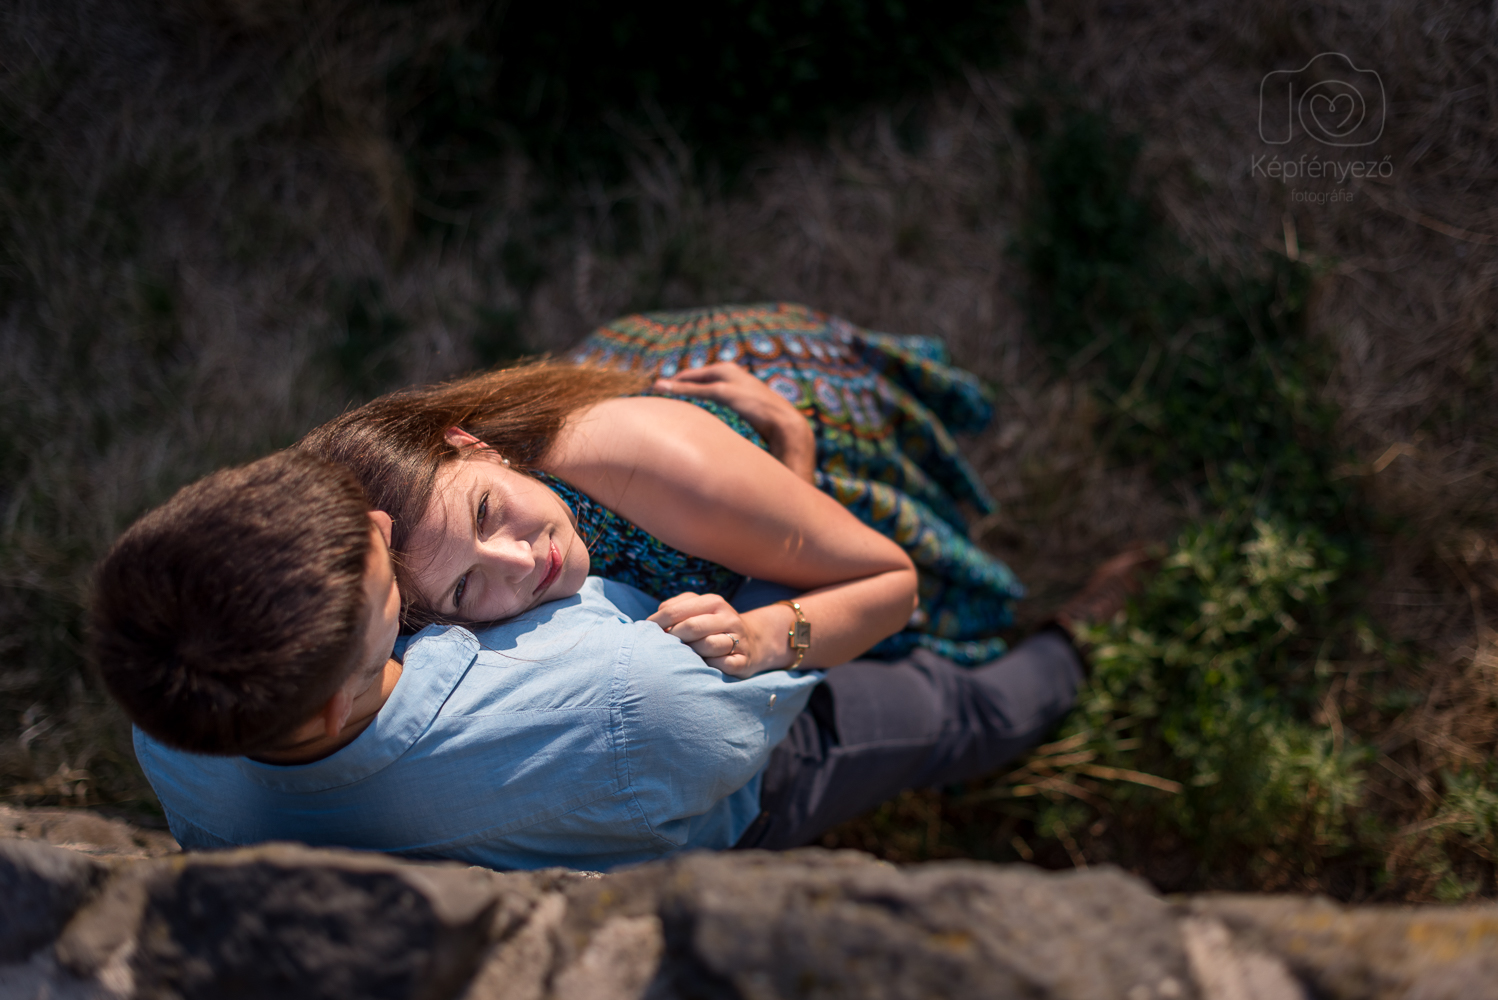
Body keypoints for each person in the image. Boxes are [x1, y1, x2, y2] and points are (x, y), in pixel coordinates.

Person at [92, 449, 1117, 867]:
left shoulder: (176, 726)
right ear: (325, 709)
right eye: (382, 583)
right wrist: (789, 484)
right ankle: (1079, 648)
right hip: (747, 774)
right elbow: (810, 614)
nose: (377, 521)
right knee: (951, 712)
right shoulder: (634, 701)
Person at [298, 303, 1025, 682]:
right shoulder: (418, 580)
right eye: (464, 587)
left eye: (486, 513)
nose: (520, 565)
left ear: (472, 443)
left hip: (756, 434)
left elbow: (891, 583)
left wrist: (767, 637)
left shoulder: (654, 470)